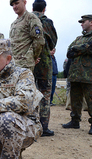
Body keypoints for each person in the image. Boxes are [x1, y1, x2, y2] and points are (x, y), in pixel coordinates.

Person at [62, 15, 92, 135]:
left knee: (90, 100)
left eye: (83, 22)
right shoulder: (79, 38)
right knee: (75, 99)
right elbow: (69, 52)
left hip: (88, 75)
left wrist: (77, 49)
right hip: (75, 74)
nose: (81, 24)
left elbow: (90, 48)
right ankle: (75, 121)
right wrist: (82, 48)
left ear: (91, 22)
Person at [32, 0, 58, 137]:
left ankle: (30, 125)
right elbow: (53, 41)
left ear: (32, 8)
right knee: (44, 96)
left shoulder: (24, 20)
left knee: (29, 94)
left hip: (28, 64)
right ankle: (43, 127)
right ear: (44, 9)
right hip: (44, 64)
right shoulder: (46, 22)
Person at [9, 0, 45, 72]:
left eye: (16, 3)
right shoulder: (14, 23)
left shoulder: (31, 18)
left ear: (24, 2)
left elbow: (39, 40)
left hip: (25, 65)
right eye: (12, 5)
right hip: (13, 64)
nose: (14, 7)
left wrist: (33, 58)